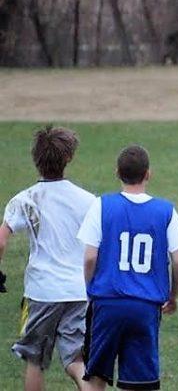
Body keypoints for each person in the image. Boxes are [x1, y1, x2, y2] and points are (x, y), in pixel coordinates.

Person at [78, 145, 178, 391]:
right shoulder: (166, 211)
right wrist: (173, 296)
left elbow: (88, 258)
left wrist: (90, 289)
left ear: (117, 172)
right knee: (139, 384)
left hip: (107, 303)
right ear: (148, 174)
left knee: (96, 377)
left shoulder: (101, 205)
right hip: (145, 307)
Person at [0, 126, 94, 391]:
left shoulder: (25, 199)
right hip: (78, 290)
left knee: (35, 359)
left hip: (41, 292)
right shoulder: (88, 201)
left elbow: (1, 238)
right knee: (76, 359)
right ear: (68, 158)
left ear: (36, 160)